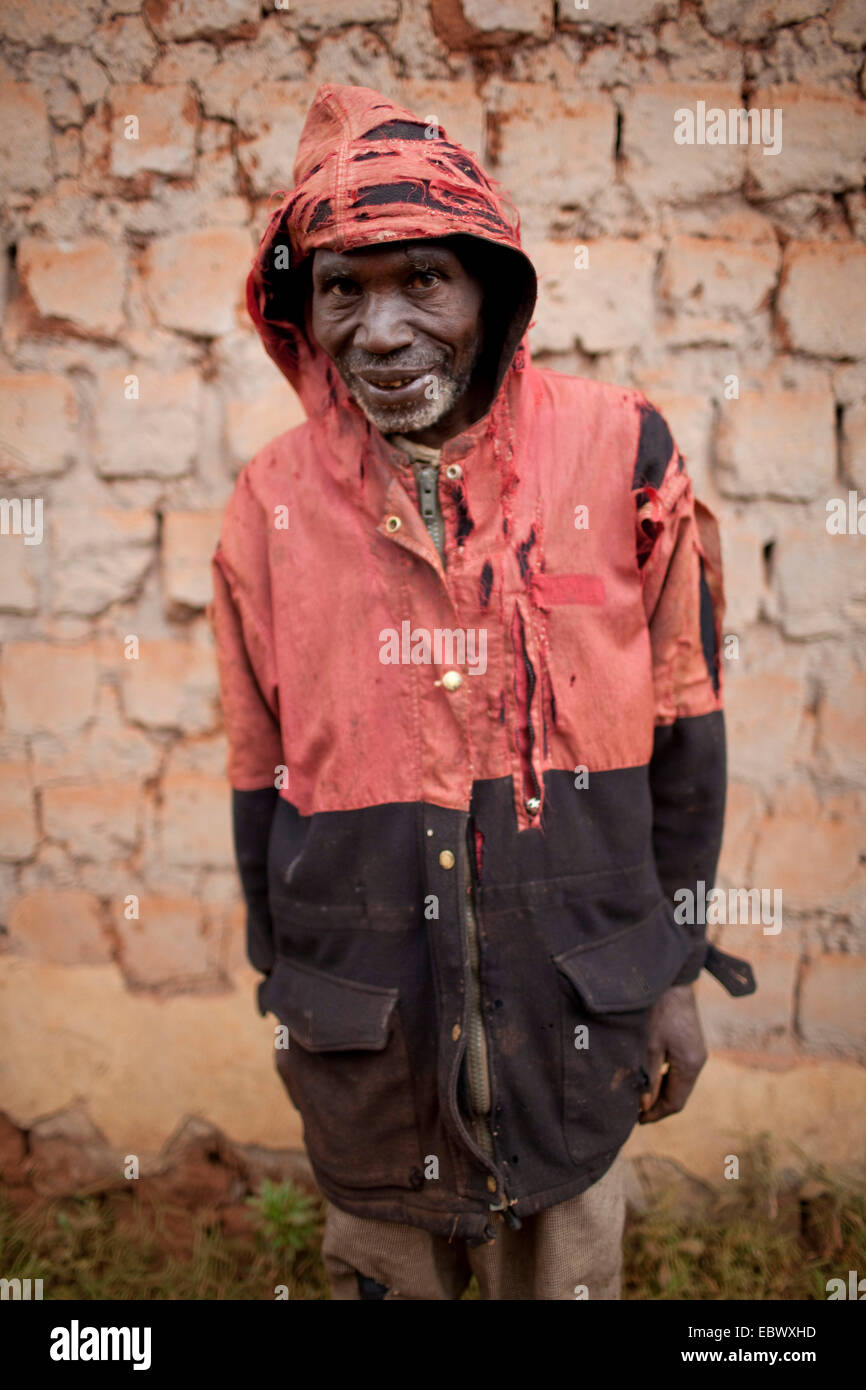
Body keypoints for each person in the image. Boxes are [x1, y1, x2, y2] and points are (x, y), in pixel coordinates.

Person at [210, 82, 755, 1301]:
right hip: (370, 1056)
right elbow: (259, 774)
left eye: (424, 280)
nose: (382, 329)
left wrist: (670, 972)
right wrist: (289, 997)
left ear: (491, 293)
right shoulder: (268, 505)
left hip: (574, 1033)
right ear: (298, 308)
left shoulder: (623, 451)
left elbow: (685, 727)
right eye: (342, 287)